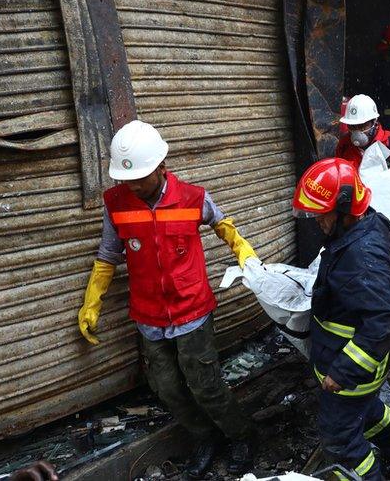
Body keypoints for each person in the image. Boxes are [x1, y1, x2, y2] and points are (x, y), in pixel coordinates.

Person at [76, 120, 257, 479]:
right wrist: (92, 300)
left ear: (161, 166)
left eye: (140, 178)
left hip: (192, 310)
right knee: (167, 389)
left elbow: (223, 224)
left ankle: (242, 436)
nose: (132, 185)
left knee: (205, 385)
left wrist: (243, 250)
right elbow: (108, 255)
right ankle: (205, 438)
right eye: (126, 179)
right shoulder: (115, 204)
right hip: (149, 316)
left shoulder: (193, 197)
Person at [292, 158, 390, 480]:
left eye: (322, 213)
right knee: (366, 412)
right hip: (355, 370)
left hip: (351, 372)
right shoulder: (370, 225)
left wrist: (342, 372)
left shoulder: (361, 257)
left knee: (340, 442)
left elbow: (380, 325)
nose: (317, 221)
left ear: (346, 209)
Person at [335, 94, 390, 169]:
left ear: (374, 122)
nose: (357, 132)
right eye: (352, 126)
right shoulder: (344, 145)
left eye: (362, 126)